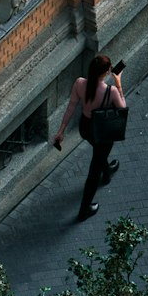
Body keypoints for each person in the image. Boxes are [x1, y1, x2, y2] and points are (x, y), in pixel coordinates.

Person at [53, 54, 126, 221]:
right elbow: (122, 109)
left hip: (85, 128)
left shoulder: (79, 83)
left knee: (99, 156)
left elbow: (71, 107)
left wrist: (61, 130)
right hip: (103, 131)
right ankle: (84, 210)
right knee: (94, 172)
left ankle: (106, 172)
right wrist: (119, 84)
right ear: (108, 72)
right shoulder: (111, 91)